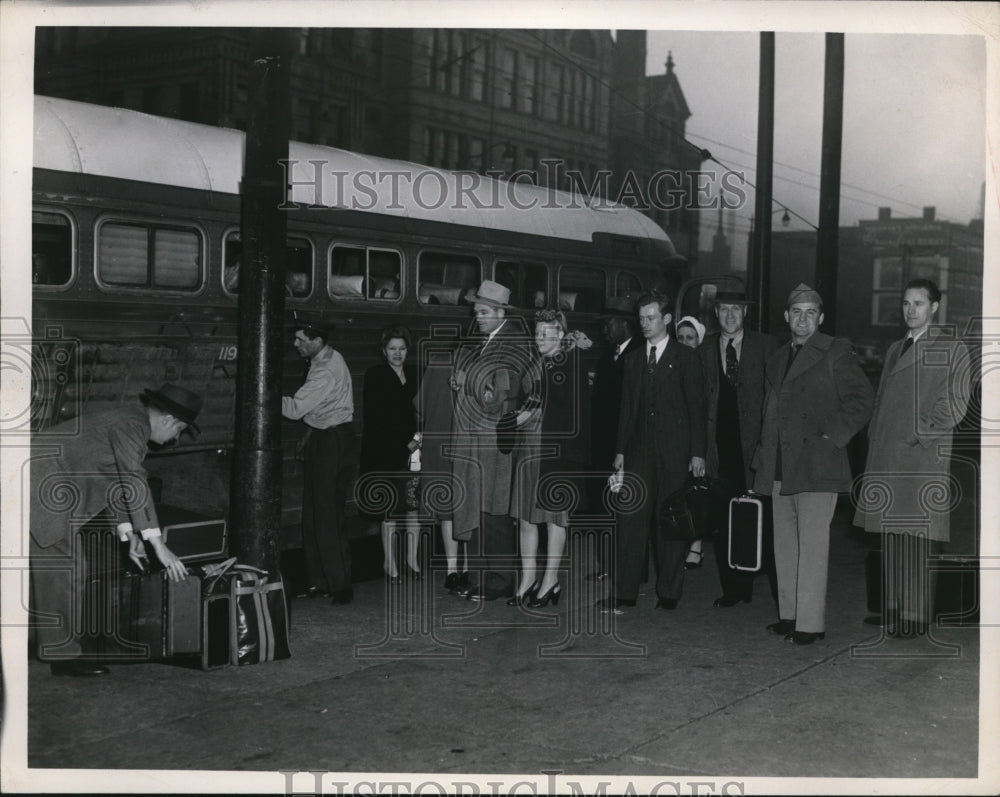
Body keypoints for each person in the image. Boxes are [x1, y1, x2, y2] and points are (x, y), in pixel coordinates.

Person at [30, 383, 200, 676]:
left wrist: (128, 533)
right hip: (38, 485)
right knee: (67, 567)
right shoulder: (131, 426)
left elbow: (116, 481)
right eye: (179, 430)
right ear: (169, 420)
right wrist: (158, 545)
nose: (175, 439)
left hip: (36, 482)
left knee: (56, 568)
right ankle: (62, 655)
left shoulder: (129, 422)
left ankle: (43, 644)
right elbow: (134, 481)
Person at [751, 283, 873, 645]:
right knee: (784, 546)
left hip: (817, 464)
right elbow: (769, 412)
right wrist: (762, 454)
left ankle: (810, 624)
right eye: (796, 312)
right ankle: (789, 616)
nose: (802, 319)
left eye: (810, 313)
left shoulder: (836, 351)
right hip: (779, 464)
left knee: (813, 547)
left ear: (820, 318)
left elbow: (861, 401)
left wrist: (830, 437)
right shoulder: (776, 358)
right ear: (787, 317)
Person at [853, 278, 971, 637]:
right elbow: (881, 401)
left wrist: (916, 432)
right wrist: (875, 436)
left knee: (917, 538)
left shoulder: (952, 347)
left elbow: (955, 403)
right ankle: (892, 610)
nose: (910, 310)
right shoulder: (894, 348)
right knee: (891, 536)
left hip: (919, 457)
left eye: (918, 304)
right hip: (887, 453)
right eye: (906, 303)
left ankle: (916, 617)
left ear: (935, 307)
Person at [600, 291, 707, 613]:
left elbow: (696, 408)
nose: (644, 324)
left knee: (669, 523)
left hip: (676, 452)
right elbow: (626, 410)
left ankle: (669, 591)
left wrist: (698, 453)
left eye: (650, 318)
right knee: (629, 520)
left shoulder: (686, 358)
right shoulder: (633, 359)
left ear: (667, 320)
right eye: (641, 318)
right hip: (638, 452)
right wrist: (619, 451)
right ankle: (626, 592)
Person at [450, 280, 531, 602]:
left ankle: (499, 581)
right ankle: (482, 577)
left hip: (496, 437)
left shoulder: (512, 342)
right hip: (481, 435)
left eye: (483, 312)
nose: (478, 317)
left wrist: (466, 381)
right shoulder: (489, 341)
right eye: (477, 312)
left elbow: (502, 392)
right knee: (481, 504)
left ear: (500, 313)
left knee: (495, 509)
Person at [696, 292, 779, 606]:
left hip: (758, 451)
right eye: (724, 309)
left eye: (736, 309)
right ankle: (734, 589)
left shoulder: (767, 346)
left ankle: (773, 589)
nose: (730, 315)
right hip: (720, 449)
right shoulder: (703, 350)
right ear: (716, 312)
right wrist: (700, 452)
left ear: (745, 312)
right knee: (725, 520)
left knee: (766, 520)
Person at [508, 310, 590, 608]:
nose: (540, 338)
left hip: (557, 451)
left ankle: (551, 579)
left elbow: (576, 411)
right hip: (529, 449)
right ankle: (528, 579)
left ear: (560, 334)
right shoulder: (533, 363)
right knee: (527, 517)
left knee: (555, 518)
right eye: (537, 332)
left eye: (547, 332)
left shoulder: (571, 363)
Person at [282, 320, 355, 606]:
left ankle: (340, 586)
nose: (295, 344)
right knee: (314, 514)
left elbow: (295, 409)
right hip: (326, 438)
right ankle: (321, 581)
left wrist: (263, 394)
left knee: (325, 515)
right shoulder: (329, 356)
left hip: (332, 443)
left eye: (300, 340)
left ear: (317, 340)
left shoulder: (325, 370)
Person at [359, 325, 420, 583]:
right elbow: (376, 419)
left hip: (415, 451)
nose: (398, 354)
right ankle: (390, 564)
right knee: (391, 510)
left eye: (402, 349)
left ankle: (412, 562)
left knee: (413, 509)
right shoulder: (374, 375)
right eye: (392, 349)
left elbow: (425, 409)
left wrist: (417, 439)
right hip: (385, 451)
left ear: (408, 350)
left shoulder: (417, 373)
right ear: (384, 351)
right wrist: (404, 444)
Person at [587, 295, 643, 578]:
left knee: (627, 510)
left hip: (625, 446)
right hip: (603, 448)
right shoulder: (609, 355)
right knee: (603, 507)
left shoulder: (639, 354)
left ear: (625, 324)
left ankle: (631, 570)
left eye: (609, 323)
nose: (605, 329)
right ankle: (607, 566)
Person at [414, 342, 468, 593]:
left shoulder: (437, 362)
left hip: (439, 443)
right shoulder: (475, 365)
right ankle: (468, 568)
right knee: (467, 508)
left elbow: (420, 405)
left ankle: (452, 570)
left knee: (446, 510)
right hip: (466, 446)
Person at [674, 315, 708, 570]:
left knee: (697, 492)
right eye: (681, 338)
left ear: (699, 340)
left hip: (700, 439)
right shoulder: (672, 363)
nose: (685, 342)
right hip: (677, 439)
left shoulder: (704, 365)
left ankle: (696, 545)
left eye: (690, 338)